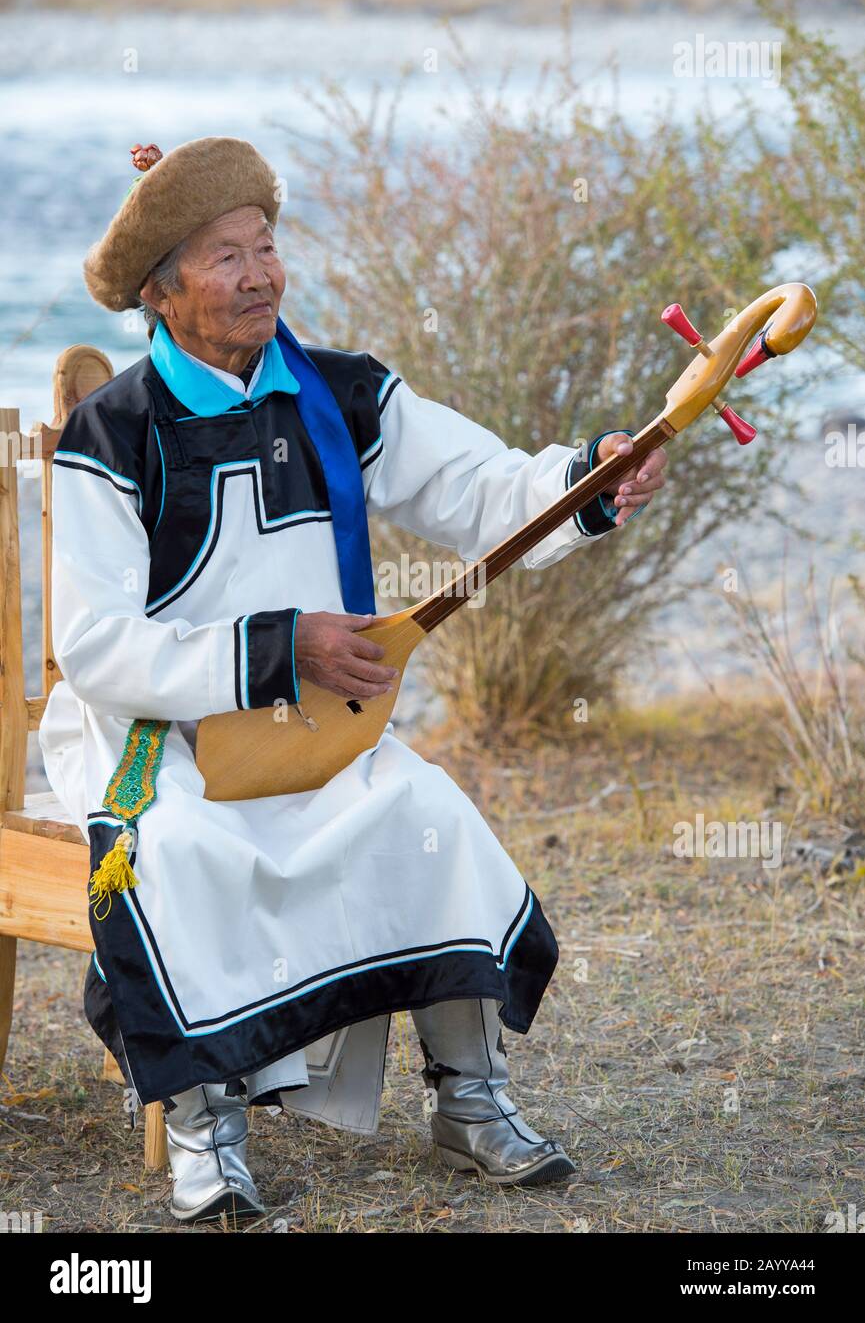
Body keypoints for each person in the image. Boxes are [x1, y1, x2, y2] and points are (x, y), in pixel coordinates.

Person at [40, 136, 667, 1222]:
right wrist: (281, 647)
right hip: (159, 737)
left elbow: (477, 484)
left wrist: (586, 479)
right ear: (160, 290)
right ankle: (206, 1132)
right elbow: (94, 644)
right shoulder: (113, 433)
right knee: (172, 853)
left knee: (427, 809)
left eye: (266, 245)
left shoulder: (342, 394)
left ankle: (471, 1102)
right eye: (225, 256)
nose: (260, 274)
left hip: (321, 733)